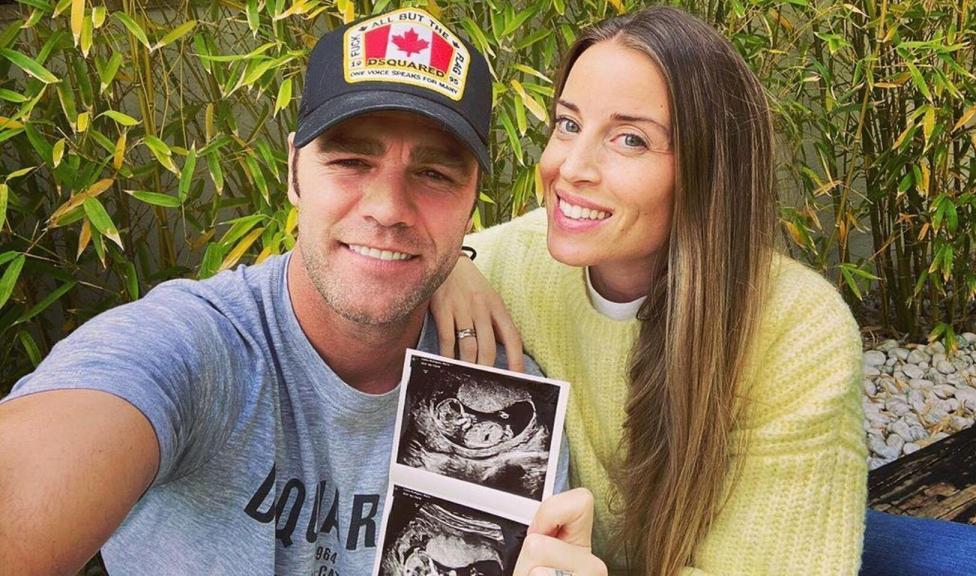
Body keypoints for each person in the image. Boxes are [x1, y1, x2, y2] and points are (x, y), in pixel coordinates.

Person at [0, 8, 604, 576]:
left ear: (475, 198)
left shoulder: (498, 397)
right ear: (293, 172)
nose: (388, 208)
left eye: (434, 174)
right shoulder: (197, 348)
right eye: (349, 160)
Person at [430, 6, 868, 575]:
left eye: (630, 139)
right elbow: (367, 265)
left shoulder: (798, 332)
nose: (572, 168)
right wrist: (445, 263)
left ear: (708, 171)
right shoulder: (506, 263)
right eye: (568, 124)